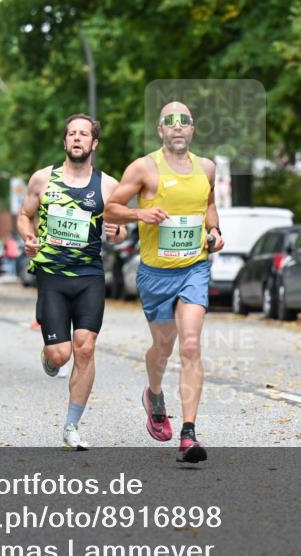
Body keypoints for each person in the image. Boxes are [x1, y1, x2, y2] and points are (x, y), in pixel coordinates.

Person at [103, 101, 224, 464]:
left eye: (183, 121)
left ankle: (188, 433)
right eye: (168, 122)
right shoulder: (143, 168)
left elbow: (209, 206)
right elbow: (110, 208)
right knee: (163, 348)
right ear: (160, 131)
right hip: (156, 274)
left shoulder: (207, 168)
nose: (176, 127)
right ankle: (153, 393)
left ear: (193, 129)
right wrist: (141, 212)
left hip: (194, 269)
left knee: (190, 345)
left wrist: (214, 231)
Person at [17, 113, 127, 451]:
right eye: (71, 134)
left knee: (85, 347)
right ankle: (50, 358)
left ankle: (71, 426)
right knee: (61, 353)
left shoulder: (109, 186)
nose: (76, 139)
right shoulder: (42, 179)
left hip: (90, 276)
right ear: (65, 141)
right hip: (52, 276)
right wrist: (29, 237)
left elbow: (122, 231)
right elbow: (25, 216)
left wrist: (117, 232)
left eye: (83, 134)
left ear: (94, 143)